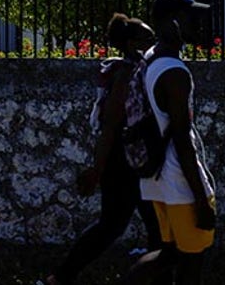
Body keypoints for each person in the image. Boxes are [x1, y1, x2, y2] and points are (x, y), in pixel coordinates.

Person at [41, 14, 165, 285]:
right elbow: (110, 124)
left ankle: (62, 277)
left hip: (133, 160)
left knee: (146, 225)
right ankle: (61, 276)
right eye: (146, 37)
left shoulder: (137, 70)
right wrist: (98, 169)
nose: (151, 42)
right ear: (131, 43)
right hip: (124, 162)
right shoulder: (124, 74)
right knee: (116, 226)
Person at [127, 0, 217, 285]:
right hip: (179, 180)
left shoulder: (152, 59)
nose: (198, 24)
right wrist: (201, 200)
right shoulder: (175, 73)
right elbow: (182, 139)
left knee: (169, 254)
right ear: (172, 22)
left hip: (158, 178)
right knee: (191, 261)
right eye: (191, 18)